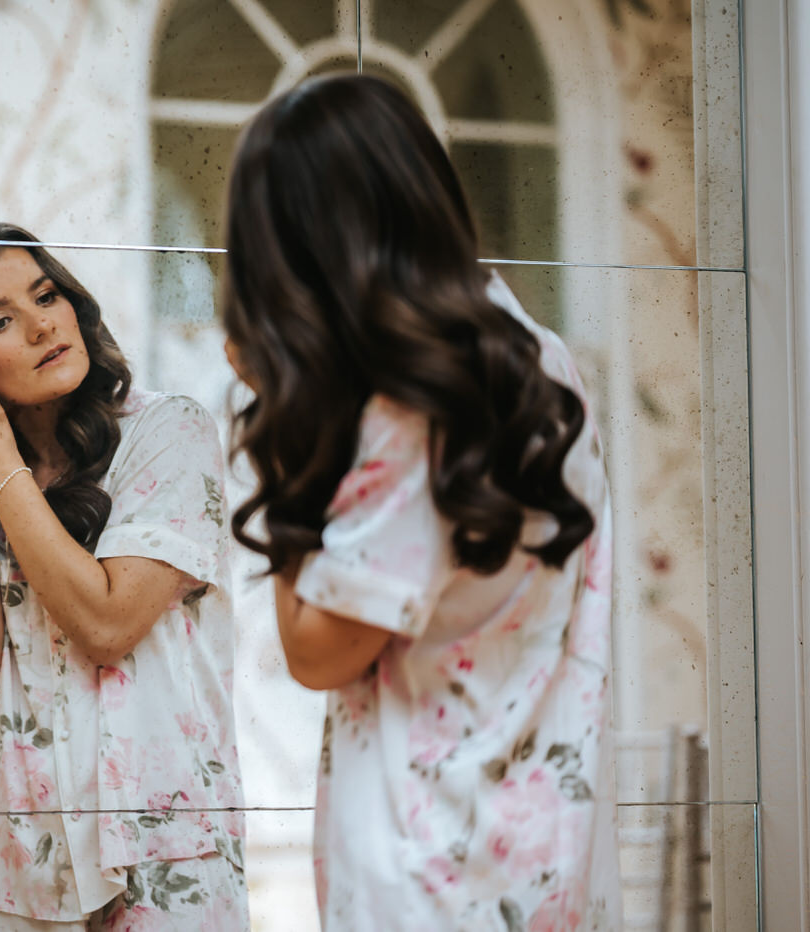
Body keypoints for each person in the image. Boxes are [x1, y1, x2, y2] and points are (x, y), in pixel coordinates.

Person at [220, 74, 621, 930]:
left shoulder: (410, 414)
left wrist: (291, 433)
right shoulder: (533, 354)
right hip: (535, 853)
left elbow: (317, 652)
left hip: (426, 868)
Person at [0, 223, 248, 931]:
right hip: (22, 871)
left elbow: (108, 625)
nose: (44, 324)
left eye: (47, 295)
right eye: (3, 320)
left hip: (166, 861)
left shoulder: (169, 433)